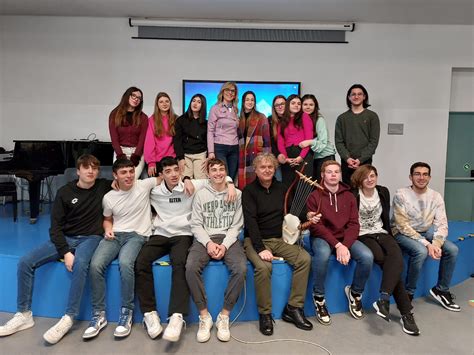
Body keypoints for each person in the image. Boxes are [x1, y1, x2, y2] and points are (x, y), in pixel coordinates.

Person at [0, 155, 111, 344]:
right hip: (66, 237)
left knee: (81, 263)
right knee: (25, 261)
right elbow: (55, 228)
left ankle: (69, 317)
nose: (91, 171)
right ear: (78, 171)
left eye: (94, 168)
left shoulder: (103, 186)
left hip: (90, 237)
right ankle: (24, 314)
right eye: (86, 167)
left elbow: (128, 180)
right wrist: (66, 252)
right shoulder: (64, 192)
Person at [135, 156, 236, 343]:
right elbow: (133, 184)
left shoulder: (191, 185)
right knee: (140, 261)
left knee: (180, 262)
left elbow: (217, 177)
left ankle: (177, 316)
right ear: (161, 174)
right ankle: (149, 313)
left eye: (176, 170)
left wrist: (230, 184)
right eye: (168, 171)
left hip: (183, 234)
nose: (173, 174)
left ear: (180, 170)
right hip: (161, 234)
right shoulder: (154, 190)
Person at [82, 158, 159, 339]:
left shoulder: (144, 185)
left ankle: (127, 313)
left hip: (137, 235)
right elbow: (107, 219)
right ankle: (98, 314)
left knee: (125, 263)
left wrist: (187, 179)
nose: (129, 175)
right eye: (123, 172)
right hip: (115, 234)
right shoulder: (109, 197)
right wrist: (108, 229)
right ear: (115, 176)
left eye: (131, 171)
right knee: (95, 265)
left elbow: (165, 177)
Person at [243, 153, 318, 336]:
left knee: (304, 259)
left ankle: (293, 308)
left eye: (270, 167)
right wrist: (260, 249)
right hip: (255, 240)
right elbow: (250, 222)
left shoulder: (282, 188)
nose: (267, 170)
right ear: (256, 170)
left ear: (275, 169)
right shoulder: (249, 191)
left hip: (279, 240)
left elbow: (293, 211)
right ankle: (265, 314)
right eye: (263, 167)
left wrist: (307, 216)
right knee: (263, 267)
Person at [351, 165, 420, 335]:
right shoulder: (353, 195)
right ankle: (406, 313)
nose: (370, 179)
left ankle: (384, 299)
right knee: (385, 260)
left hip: (382, 232)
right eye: (366, 176)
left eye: (373, 175)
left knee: (395, 257)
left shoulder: (383, 191)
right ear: (360, 179)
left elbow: (385, 216)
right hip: (363, 235)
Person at [186, 158, 246, 342]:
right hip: (206, 238)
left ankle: (224, 316)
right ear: (208, 174)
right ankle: (204, 316)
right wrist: (209, 244)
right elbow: (195, 224)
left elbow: (237, 225)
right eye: (214, 170)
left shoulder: (236, 193)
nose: (218, 173)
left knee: (241, 269)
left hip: (228, 237)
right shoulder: (201, 194)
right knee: (190, 267)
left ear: (226, 172)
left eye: (221, 169)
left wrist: (225, 245)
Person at [306, 160, 373, 325]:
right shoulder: (314, 196)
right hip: (323, 237)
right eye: (329, 172)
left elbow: (354, 224)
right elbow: (317, 227)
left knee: (367, 256)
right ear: (322, 175)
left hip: (345, 239)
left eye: (337, 171)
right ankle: (319, 298)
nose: (333, 174)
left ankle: (355, 294)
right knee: (322, 255)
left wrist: (345, 245)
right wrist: (337, 245)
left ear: (341, 174)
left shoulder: (349, 196)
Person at [392, 162, 460, 311]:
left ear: (429, 177)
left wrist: (436, 243)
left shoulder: (436, 196)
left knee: (452, 250)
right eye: (417, 174)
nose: (421, 177)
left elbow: (442, 224)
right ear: (410, 177)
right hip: (402, 232)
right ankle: (408, 294)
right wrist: (427, 244)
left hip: (425, 231)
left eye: (425, 174)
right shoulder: (401, 194)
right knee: (421, 251)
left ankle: (441, 290)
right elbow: (402, 225)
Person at [335, 84, 380, 184]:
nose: (356, 96)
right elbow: (339, 142)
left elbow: (373, 142)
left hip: (365, 161)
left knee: (364, 190)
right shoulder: (342, 118)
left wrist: (360, 159)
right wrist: (347, 158)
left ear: (364, 97)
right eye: (353, 94)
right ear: (349, 97)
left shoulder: (372, 116)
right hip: (347, 162)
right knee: (348, 192)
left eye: (359, 94)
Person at [109, 87, 148, 179]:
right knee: (120, 180)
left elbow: (142, 139)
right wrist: (120, 156)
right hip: (120, 152)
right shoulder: (114, 114)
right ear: (127, 96)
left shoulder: (143, 117)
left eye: (139, 98)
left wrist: (136, 155)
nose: (136, 99)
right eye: (133, 96)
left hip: (137, 153)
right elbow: (114, 139)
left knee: (132, 180)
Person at [276, 94, 314, 189]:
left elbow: (309, 138)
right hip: (288, 158)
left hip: (303, 156)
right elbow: (280, 142)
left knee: (303, 188)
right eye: (293, 103)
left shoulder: (304, 116)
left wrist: (300, 157)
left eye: (299, 103)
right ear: (288, 104)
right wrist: (285, 158)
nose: (296, 105)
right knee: (288, 188)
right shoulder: (282, 121)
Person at [298, 94, 336, 182]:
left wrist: (309, 142)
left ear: (315, 106)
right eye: (305, 104)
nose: (308, 107)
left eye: (311, 105)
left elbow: (322, 143)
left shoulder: (319, 120)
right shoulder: (299, 120)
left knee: (324, 185)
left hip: (325, 157)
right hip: (312, 158)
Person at [237, 91, 271, 189]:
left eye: (252, 100)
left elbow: (267, 141)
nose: (250, 102)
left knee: (257, 186)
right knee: (243, 188)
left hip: (256, 156)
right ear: (243, 102)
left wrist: (266, 160)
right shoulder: (239, 119)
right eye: (247, 100)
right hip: (242, 158)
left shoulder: (261, 117)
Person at [207, 82, 240, 180]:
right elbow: (210, 131)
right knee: (223, 177)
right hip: (220, 147)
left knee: (232, 177)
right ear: (223, 91)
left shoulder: (236, 110)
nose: (230, 93)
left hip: (234, 147)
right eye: (227, 90)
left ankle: (231, 195)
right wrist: (211, 151)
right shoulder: (215, 108)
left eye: (233, 91)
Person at [174, 93, 208, 179]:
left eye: (199, 102)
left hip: (200, 154)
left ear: (203, 105)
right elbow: (177, 141)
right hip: (185, 155)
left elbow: (208, 141)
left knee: (201, 180)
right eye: (193, 101)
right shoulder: (181, 120)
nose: (195, 103)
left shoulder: (206, 123)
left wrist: (207, 157)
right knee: (186, 180)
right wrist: (180, 158)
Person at [144, 92, 177, 177]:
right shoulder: (151, 120)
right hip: (157, 161)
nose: (164, 104)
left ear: (170, 103)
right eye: (161, 102)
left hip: (172, 160)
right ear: (157, 104)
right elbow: (149, 142)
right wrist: (151, 162)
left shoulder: (176, 119)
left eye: (167, 101)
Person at [267, 95, 286, 181]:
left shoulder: (293, 120)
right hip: (277, 157)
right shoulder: (269, 120)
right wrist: (278, 154)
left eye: (282, 103)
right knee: (279, 182)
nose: (280, 106)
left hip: (292, 157)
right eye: (277, 105)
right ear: (274, 108)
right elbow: (270, 142)